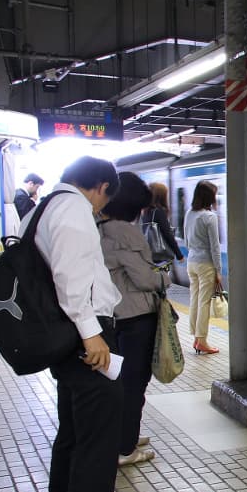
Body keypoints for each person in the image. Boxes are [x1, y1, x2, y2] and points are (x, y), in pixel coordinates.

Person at [24, 156, 145, 492]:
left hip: (64, 340)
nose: (101, 208)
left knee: (74, 438)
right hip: (85, 338)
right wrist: (92, 335)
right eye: (103, 199)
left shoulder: (44, 206)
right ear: (100, 187)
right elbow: (71, 278)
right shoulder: (74, 210)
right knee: (97, 443)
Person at [99, 172, 167, 468]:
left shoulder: (99, 227)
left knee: (122, 382)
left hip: (115, 315)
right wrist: (162, 276)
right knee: (134, 384)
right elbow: (144, 278)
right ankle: (125, 448)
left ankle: (124, 435)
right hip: (136, 315)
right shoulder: (124, 232)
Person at [184, 181, 222, 354]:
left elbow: (186, 240)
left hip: (191, 262)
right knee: (204, 302)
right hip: (205, 263)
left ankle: (196, 337)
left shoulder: (189, 214)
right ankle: (202, 340)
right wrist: (218, 271)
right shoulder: (209, 217)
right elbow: (215, 246)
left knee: (195, 299)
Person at [141, 182, 184, 262]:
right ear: (162, 196)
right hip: (158, 256)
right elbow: (167, 234)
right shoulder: (158, 212)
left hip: (146, 254)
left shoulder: (145, 211)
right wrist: (179, 255)